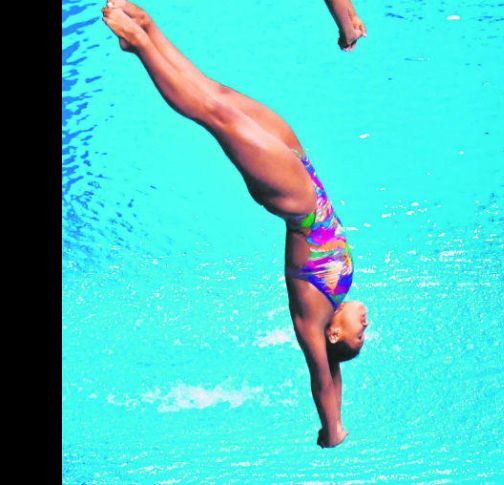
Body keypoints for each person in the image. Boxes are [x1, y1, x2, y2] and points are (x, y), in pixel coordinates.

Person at [101, 1, 369, 448]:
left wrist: (333, 430)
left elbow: (325, 381)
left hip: (295, 200)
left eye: (361, 336)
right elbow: (337, 380)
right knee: (219, 95)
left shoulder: (313, 323)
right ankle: (149, 29)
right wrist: (335, 419)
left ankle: (143, 45)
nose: (369, 327)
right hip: (305, 174)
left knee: (213, 113)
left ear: (335, 334)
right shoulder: (334, 308)